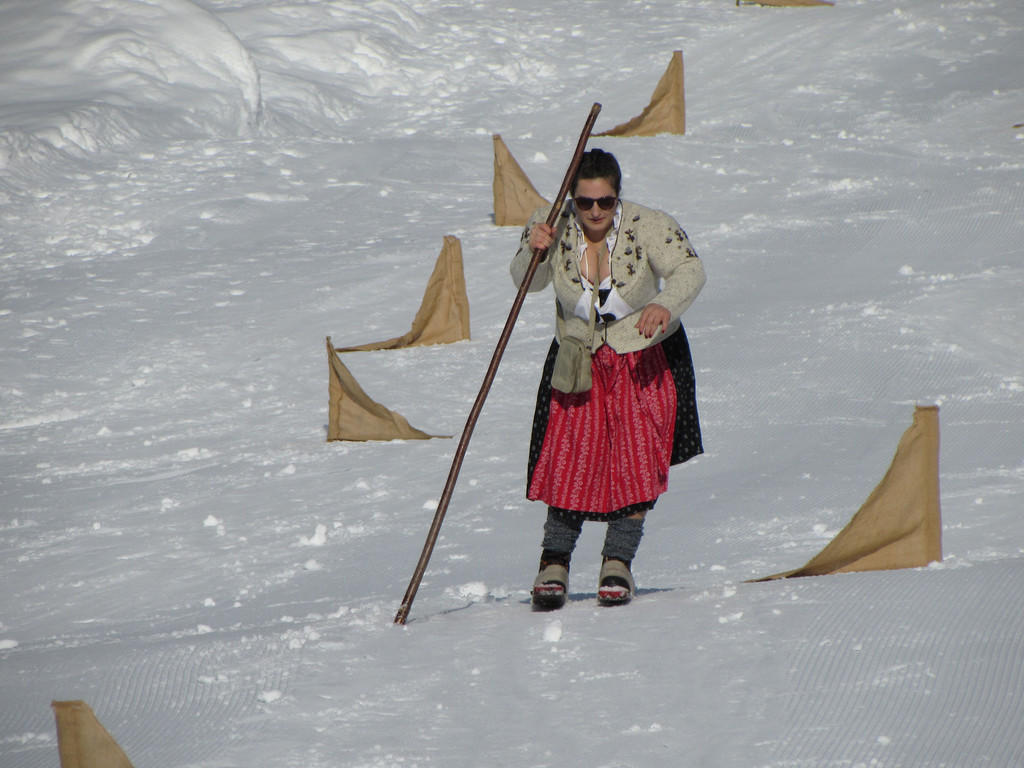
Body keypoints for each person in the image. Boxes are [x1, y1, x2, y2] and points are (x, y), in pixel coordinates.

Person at [509, 148, 705, 608]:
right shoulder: (551, 222)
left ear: (618, 197)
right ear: (573, 198)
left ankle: (618, 563)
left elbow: (690, 269)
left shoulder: (648, 225)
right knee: (569, 458)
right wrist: (535, 250)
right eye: (585, 202)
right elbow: (525, 281)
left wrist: (664, 304)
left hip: (640, 357)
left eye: (606, 201)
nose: (595, 211)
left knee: (636, 460)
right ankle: (553, 563)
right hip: (577, 361)